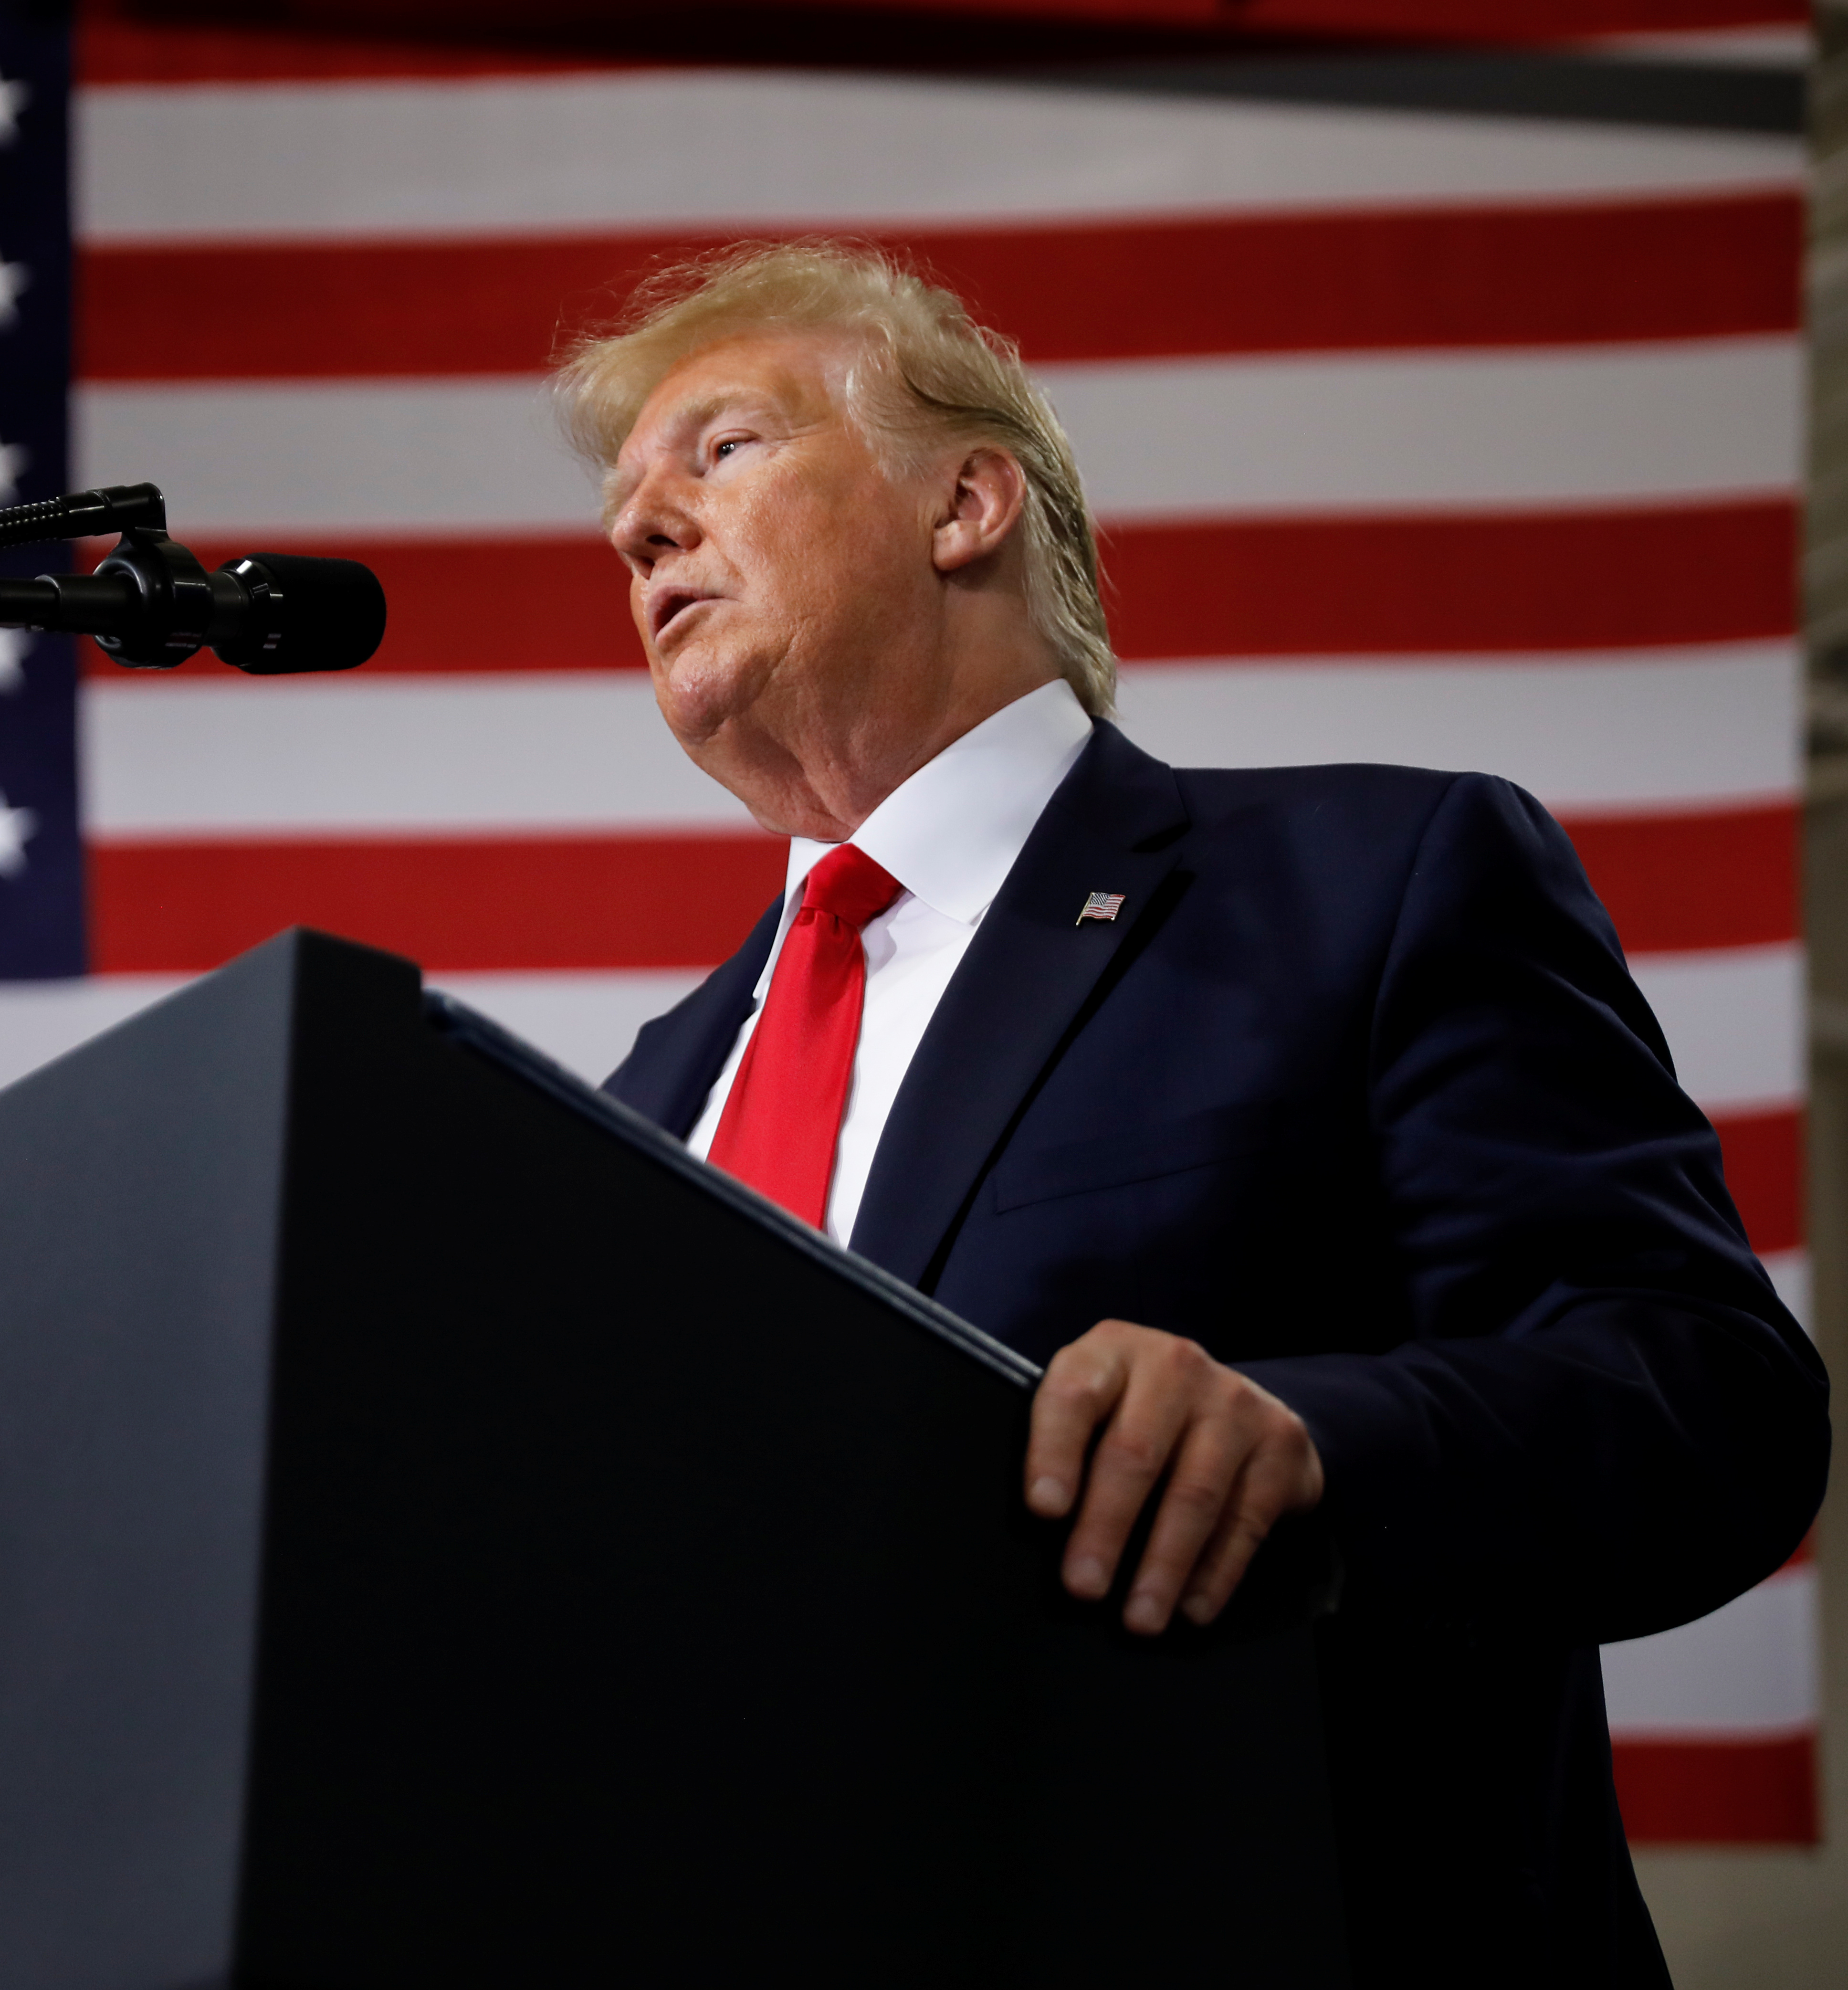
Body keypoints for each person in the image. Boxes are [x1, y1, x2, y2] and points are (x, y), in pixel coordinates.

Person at [560, 242, 1828, 1984]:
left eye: (723, 450)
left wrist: (1315, 1446)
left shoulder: (1366, 882)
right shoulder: (641, 1105)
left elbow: (1709, 1398)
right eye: (626, 506)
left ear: (968, 503)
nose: (639, 533)